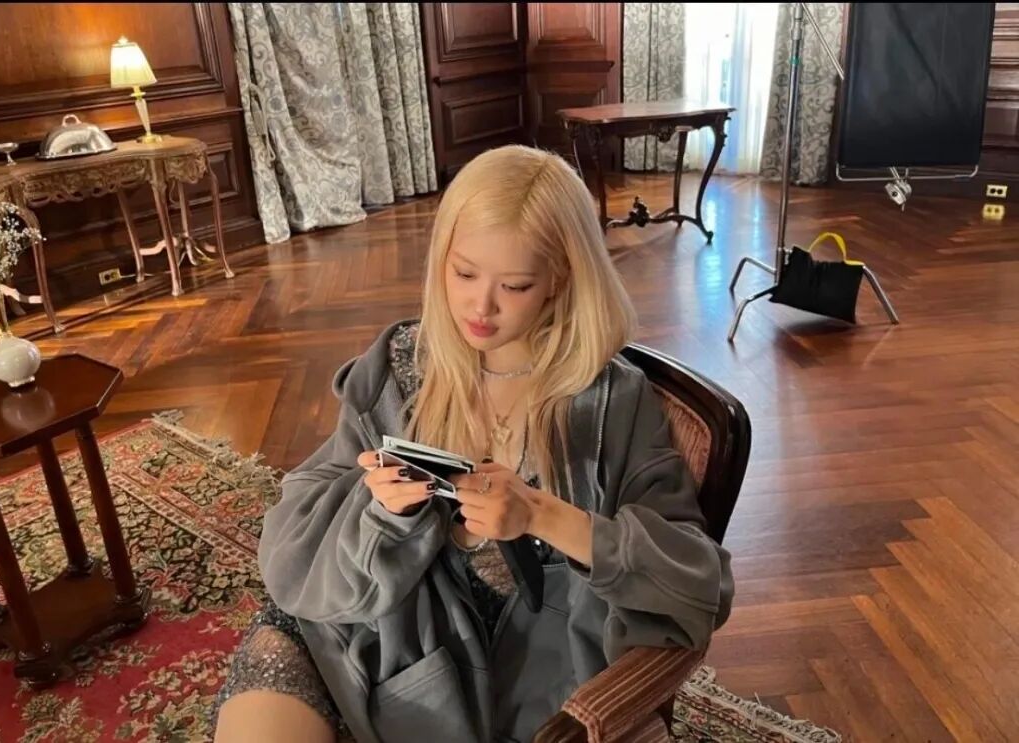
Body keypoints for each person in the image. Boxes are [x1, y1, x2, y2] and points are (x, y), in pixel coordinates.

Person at [212, 144, 734, 743]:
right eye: (462, 273)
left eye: (515, 285)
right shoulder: (401, 365)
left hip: (516, 676)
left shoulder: (610, 402)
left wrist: (543, 516)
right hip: (369, 624)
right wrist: (382, 512)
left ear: (560, 279)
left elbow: (698, 582)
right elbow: (300, 533)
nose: (479, 307)